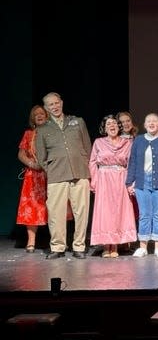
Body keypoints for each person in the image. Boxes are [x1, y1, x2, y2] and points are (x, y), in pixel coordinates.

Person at [35, 92, 92, 259]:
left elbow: (87, 148)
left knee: (81, 211)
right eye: (50, 104)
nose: (55, 106)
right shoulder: (43, 128)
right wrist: (52, 169)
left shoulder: (77, 122)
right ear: (46, 108)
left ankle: (79, 246)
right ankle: (58, 247)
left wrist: (85, 166)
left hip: (79, 172)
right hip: (57, 175)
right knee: (56, 213)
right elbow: (41, 156)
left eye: (56, 102)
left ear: (61, 102)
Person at [126, 112, 158, 258]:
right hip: (142, 182)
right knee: (144, 215)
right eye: (148, 121)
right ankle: (143, 247)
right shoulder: (139, 140)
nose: (151, 123)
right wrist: (130, 182)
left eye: (155, 121)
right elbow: (133, 162)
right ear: (144, 124)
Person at [89, 114, 137, 258]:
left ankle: (115, 245)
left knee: (119, 211)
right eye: (109, 124)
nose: (112, 126)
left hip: (120, 179)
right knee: (105, 212)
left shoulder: (126, 143)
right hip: (104, 179)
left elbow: (131, 164)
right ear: (104, 127)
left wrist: (130, 182)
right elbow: (92, 162)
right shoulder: (98, 142)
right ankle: (106, 245)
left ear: (119, 127)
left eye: (115, 124)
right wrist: (95, 181)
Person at [16, 105, 49, 253]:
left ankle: (56, 241)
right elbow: (21, 154)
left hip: (50, 175)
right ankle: (31, 241)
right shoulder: (29, 134)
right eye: (36, 115)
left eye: (42, 113)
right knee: (31, 207)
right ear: (33, 119)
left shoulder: (52, 133)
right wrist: (32, 164)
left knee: (54, 207)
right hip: (33, 177)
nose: (40, 116)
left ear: (47, 116)